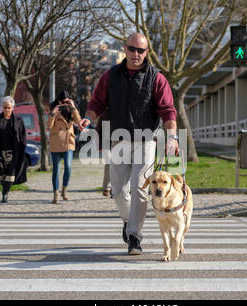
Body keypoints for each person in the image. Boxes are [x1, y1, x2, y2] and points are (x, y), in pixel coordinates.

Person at [79, 32, 179, 255]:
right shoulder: (110, 75)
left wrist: (172, 137)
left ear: (147, 52)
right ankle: (128, 221)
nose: (136, 54)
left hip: (146, 140)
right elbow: (97, 101)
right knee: (118, 191)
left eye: (141, 50)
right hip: (118, 139)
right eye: (132, 49)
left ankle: (134, 236)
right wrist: (89, 117)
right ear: (125, 49)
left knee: (140, 189)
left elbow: (168, 109)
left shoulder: (156, 77)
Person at [0, 96, 27, 203]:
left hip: (13, 152)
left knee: (11, 174)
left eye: (9, 108)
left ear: (12, 107)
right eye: (5, 108)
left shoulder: (18, 120)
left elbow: (23, 135)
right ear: (2, 108)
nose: (7, 110)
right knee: (0, 174)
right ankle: (4, 188)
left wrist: (23, 145)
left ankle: (5, 194)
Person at [48, 90, 81, 203]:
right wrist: (53, 113)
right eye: (63, 102)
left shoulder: (71, 110)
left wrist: (73, 107)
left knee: (68, 166)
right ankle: (55, 194)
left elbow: (78, 122)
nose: (64, 104)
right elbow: (49, 125)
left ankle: (64, 190)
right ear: (58, 101)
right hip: (56, 142)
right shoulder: (54, 110)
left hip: (68, 142)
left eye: (66, 102)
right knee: (56, 169)